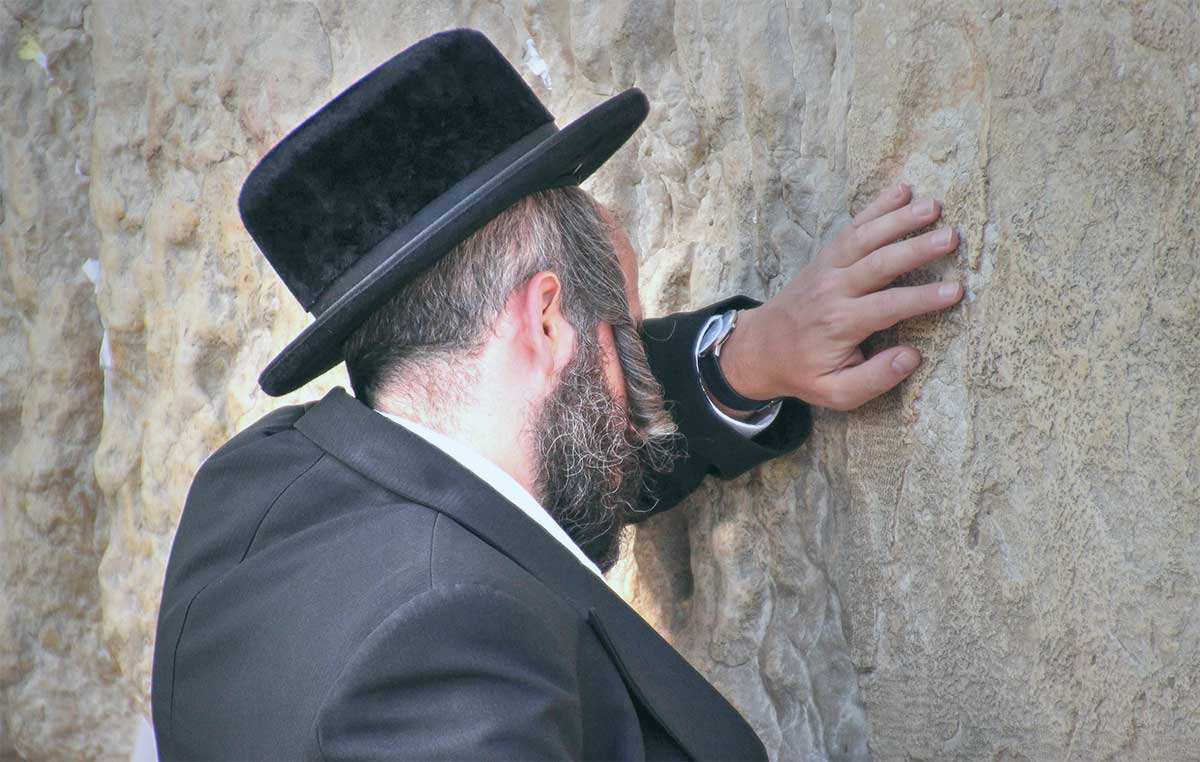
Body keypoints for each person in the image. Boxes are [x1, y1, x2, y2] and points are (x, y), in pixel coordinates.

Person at [150, 28, 962, 760]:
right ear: (544, 320)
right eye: (623, 338)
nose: (631, 384)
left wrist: (741, 362)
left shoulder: (251, 494)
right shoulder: (449, 647)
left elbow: (518, 483)